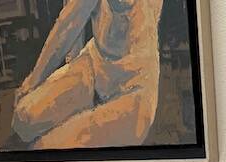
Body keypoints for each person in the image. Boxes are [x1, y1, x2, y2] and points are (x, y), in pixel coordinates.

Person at [12, 0, 164, 149]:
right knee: (23, 118)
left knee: (45, 147)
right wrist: (39, 82)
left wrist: (33, 83)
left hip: (134, 89)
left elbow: (69, 24)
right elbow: (71, 22)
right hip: (94, 64)